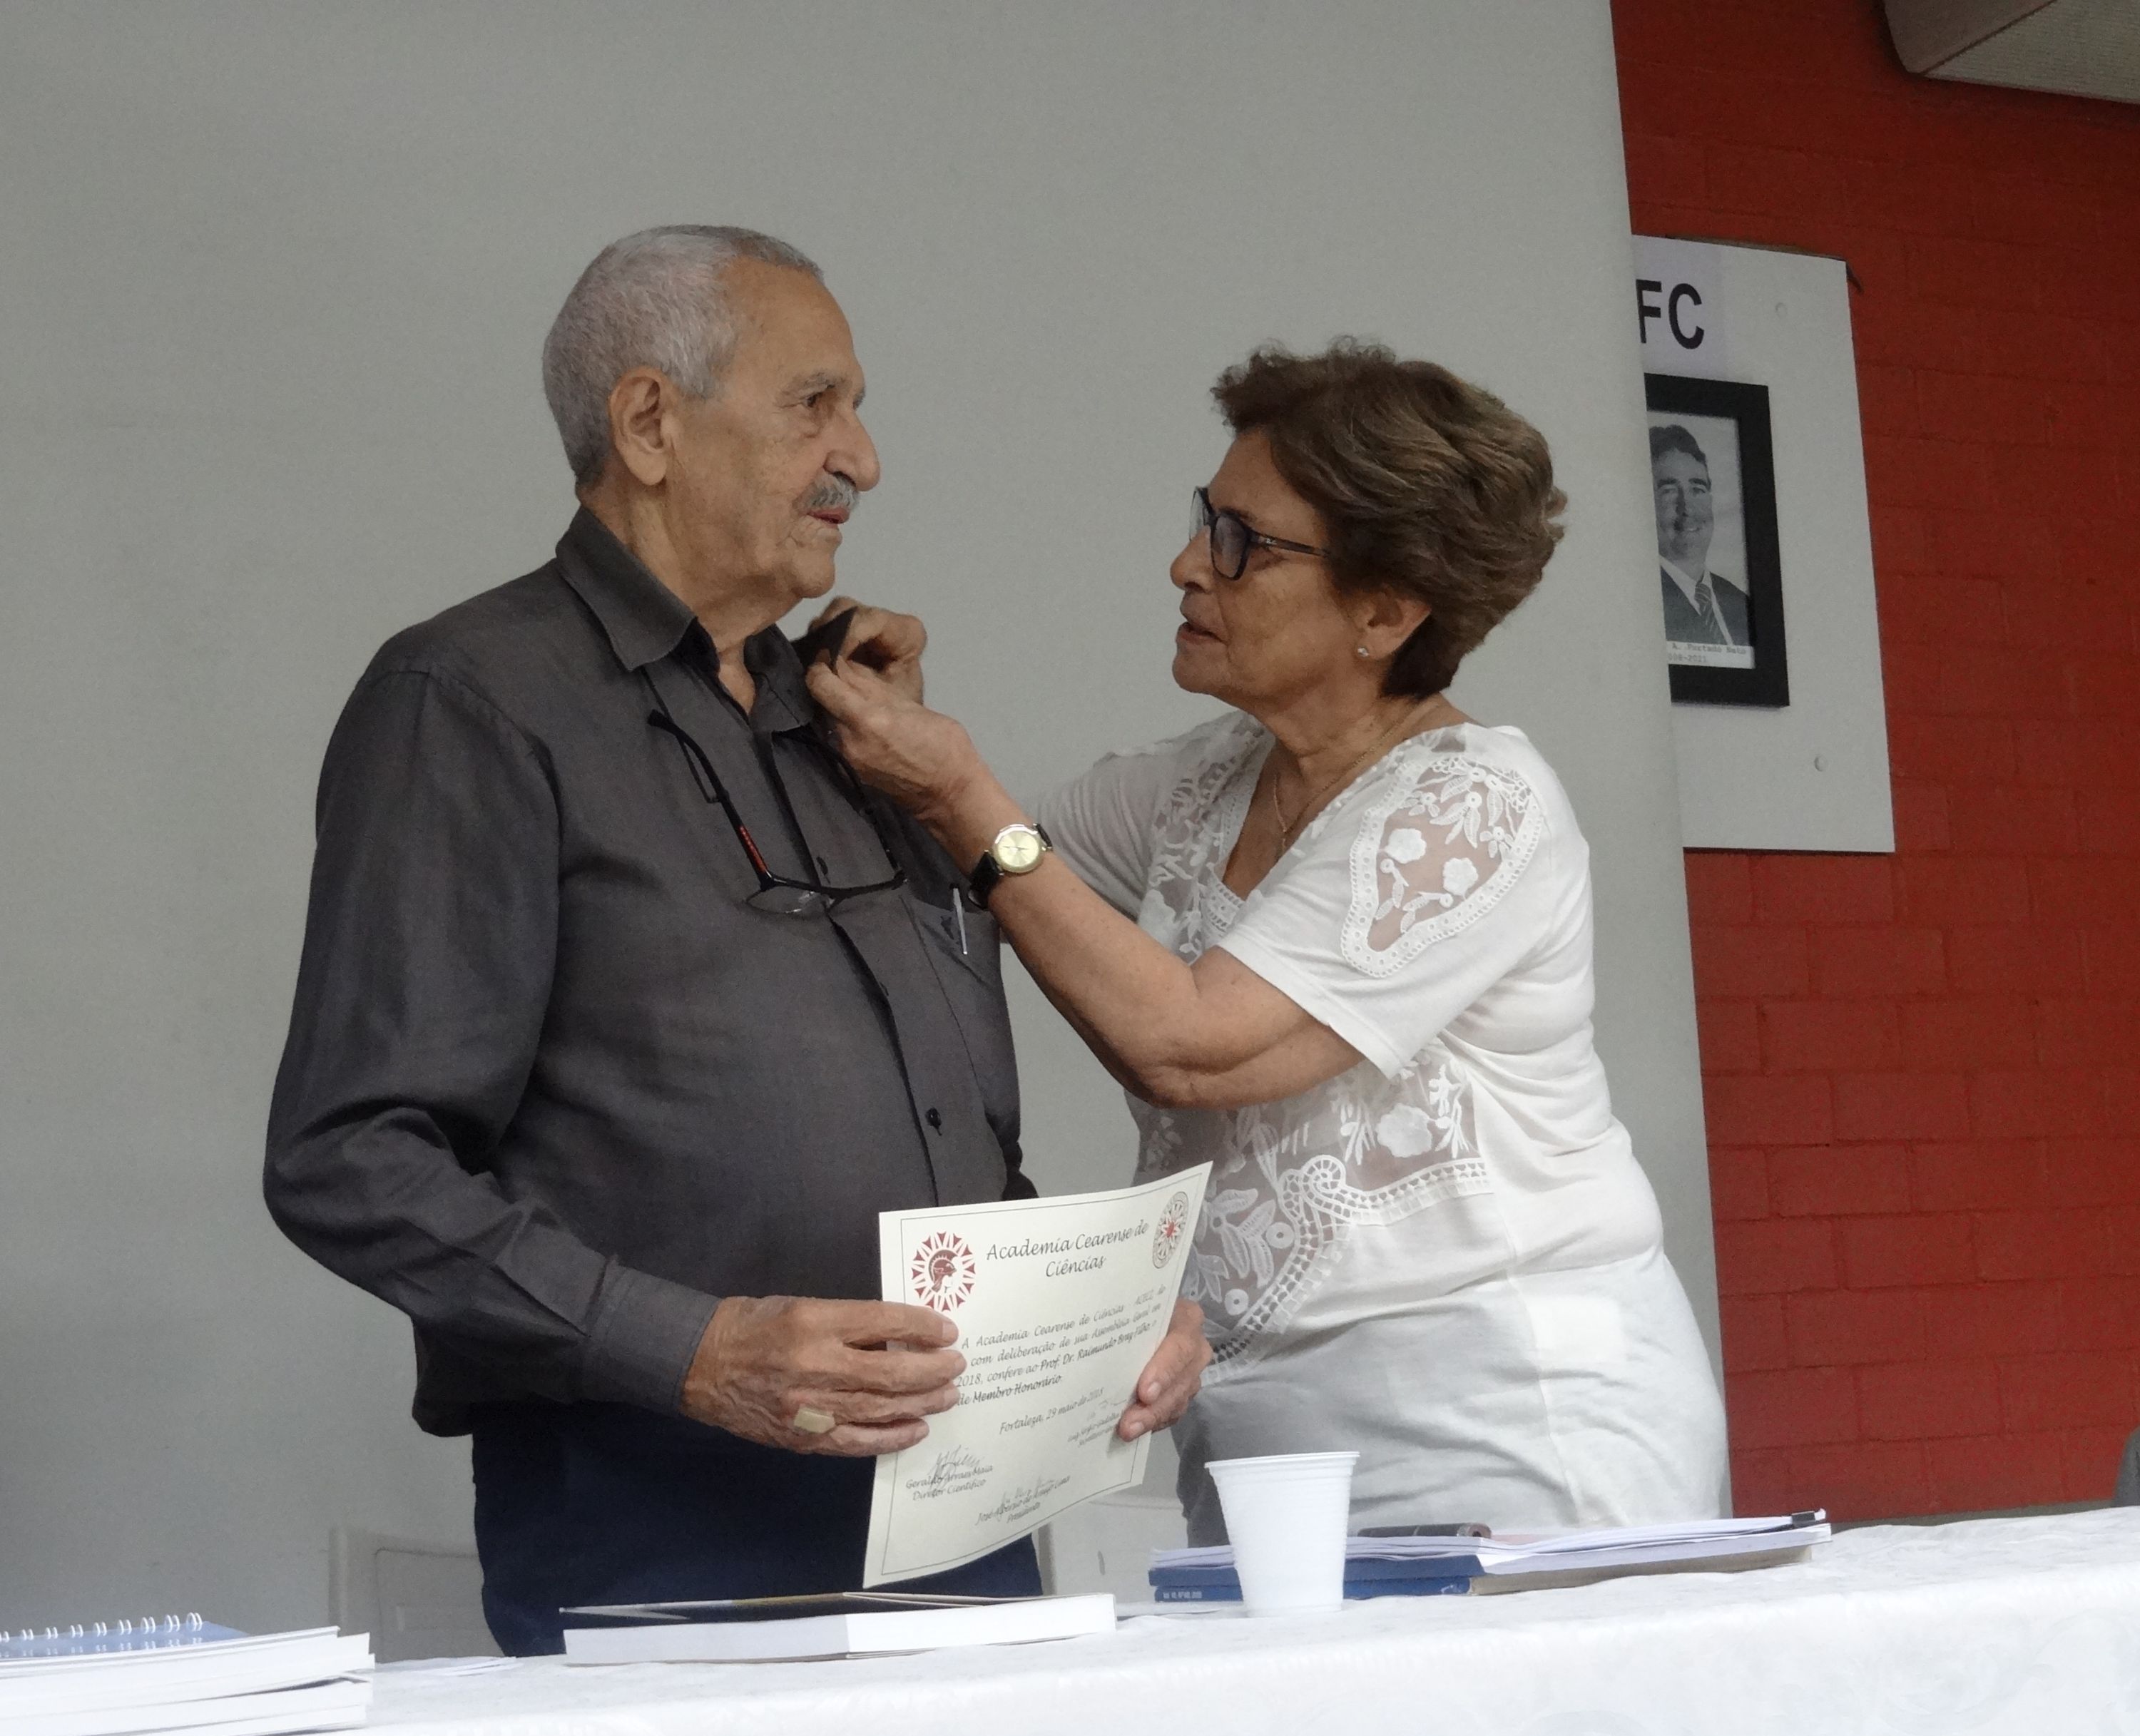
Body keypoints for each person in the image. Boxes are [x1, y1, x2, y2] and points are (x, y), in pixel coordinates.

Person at [263, 225, 1210, 1652]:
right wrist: (694, 1354)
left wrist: (1093, 1331)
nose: (864, 459)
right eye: (814, 403)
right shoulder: (468, 698)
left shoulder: (849, 723)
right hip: (661, 1523)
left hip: (965, 1520)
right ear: (650, 422)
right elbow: (351, 1159)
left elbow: (949, 1137)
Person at [808, 341, 1728, 1541]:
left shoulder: (1475, 805)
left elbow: (1194, 1044)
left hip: (1506, 1433)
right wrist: (912, 741)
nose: (1189, 563)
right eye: (1206, 519)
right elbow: (989, 866)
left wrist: (961, 788)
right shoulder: (1203, 788)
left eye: (1244, 541)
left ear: (1386, 611)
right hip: (1259, 1451)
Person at [1651, 423, 1750, 649]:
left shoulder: (1740, 603)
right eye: (1669, 491)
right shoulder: (1643, 598)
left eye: (1698, 489)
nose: (1687, 508)